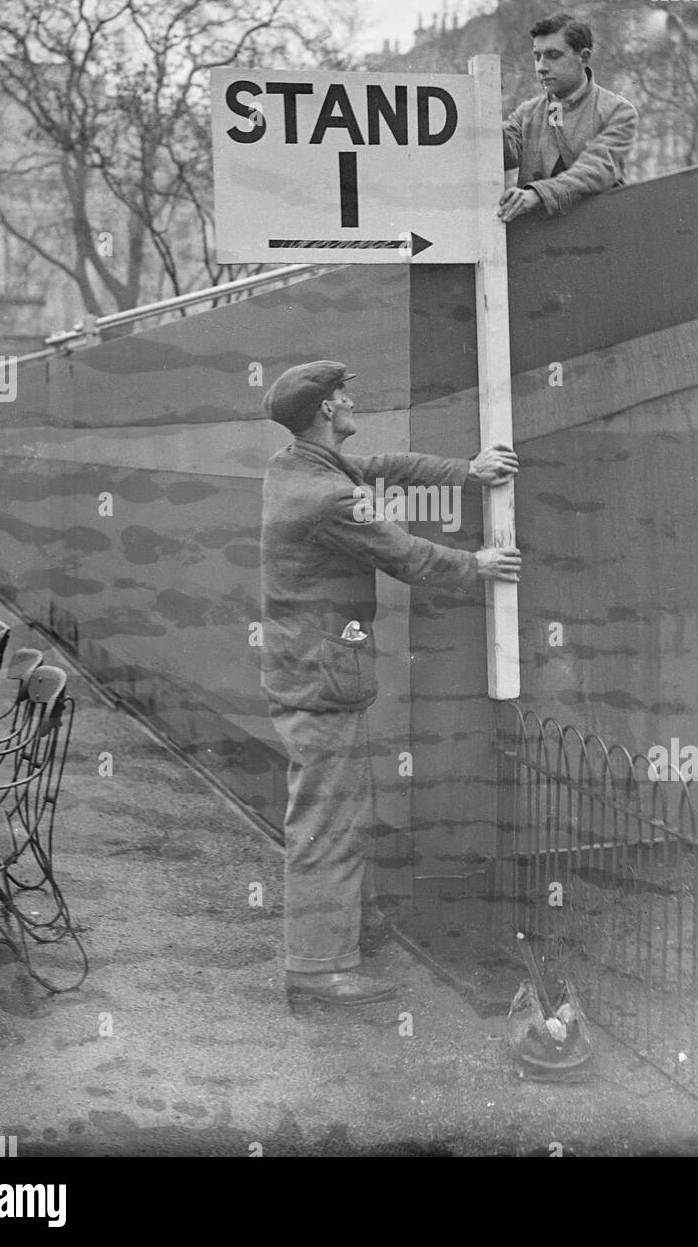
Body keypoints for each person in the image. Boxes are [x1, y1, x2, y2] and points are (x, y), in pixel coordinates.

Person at [260, 360, 521, 1007]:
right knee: (327, 823)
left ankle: (333, 941)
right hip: (321, 681)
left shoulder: (295, 466)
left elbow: (387, 466)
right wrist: (479, 563)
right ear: (325, 410)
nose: (352, 400)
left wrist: (467, 471)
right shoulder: (329, 498)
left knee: (336, 814)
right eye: (342, 395)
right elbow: (406, 555)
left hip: (306, 672)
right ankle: (318, 970)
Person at [498, 12, 638, 223]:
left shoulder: (617, 111)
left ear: (583, 58)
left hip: (602, 236)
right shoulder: (527, 114)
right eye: (537, 56)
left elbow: (596, 170)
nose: (541, 67)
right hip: (538, 242)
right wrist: (484, 112)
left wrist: (537, 194)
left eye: (553, 55)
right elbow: (496, 154)